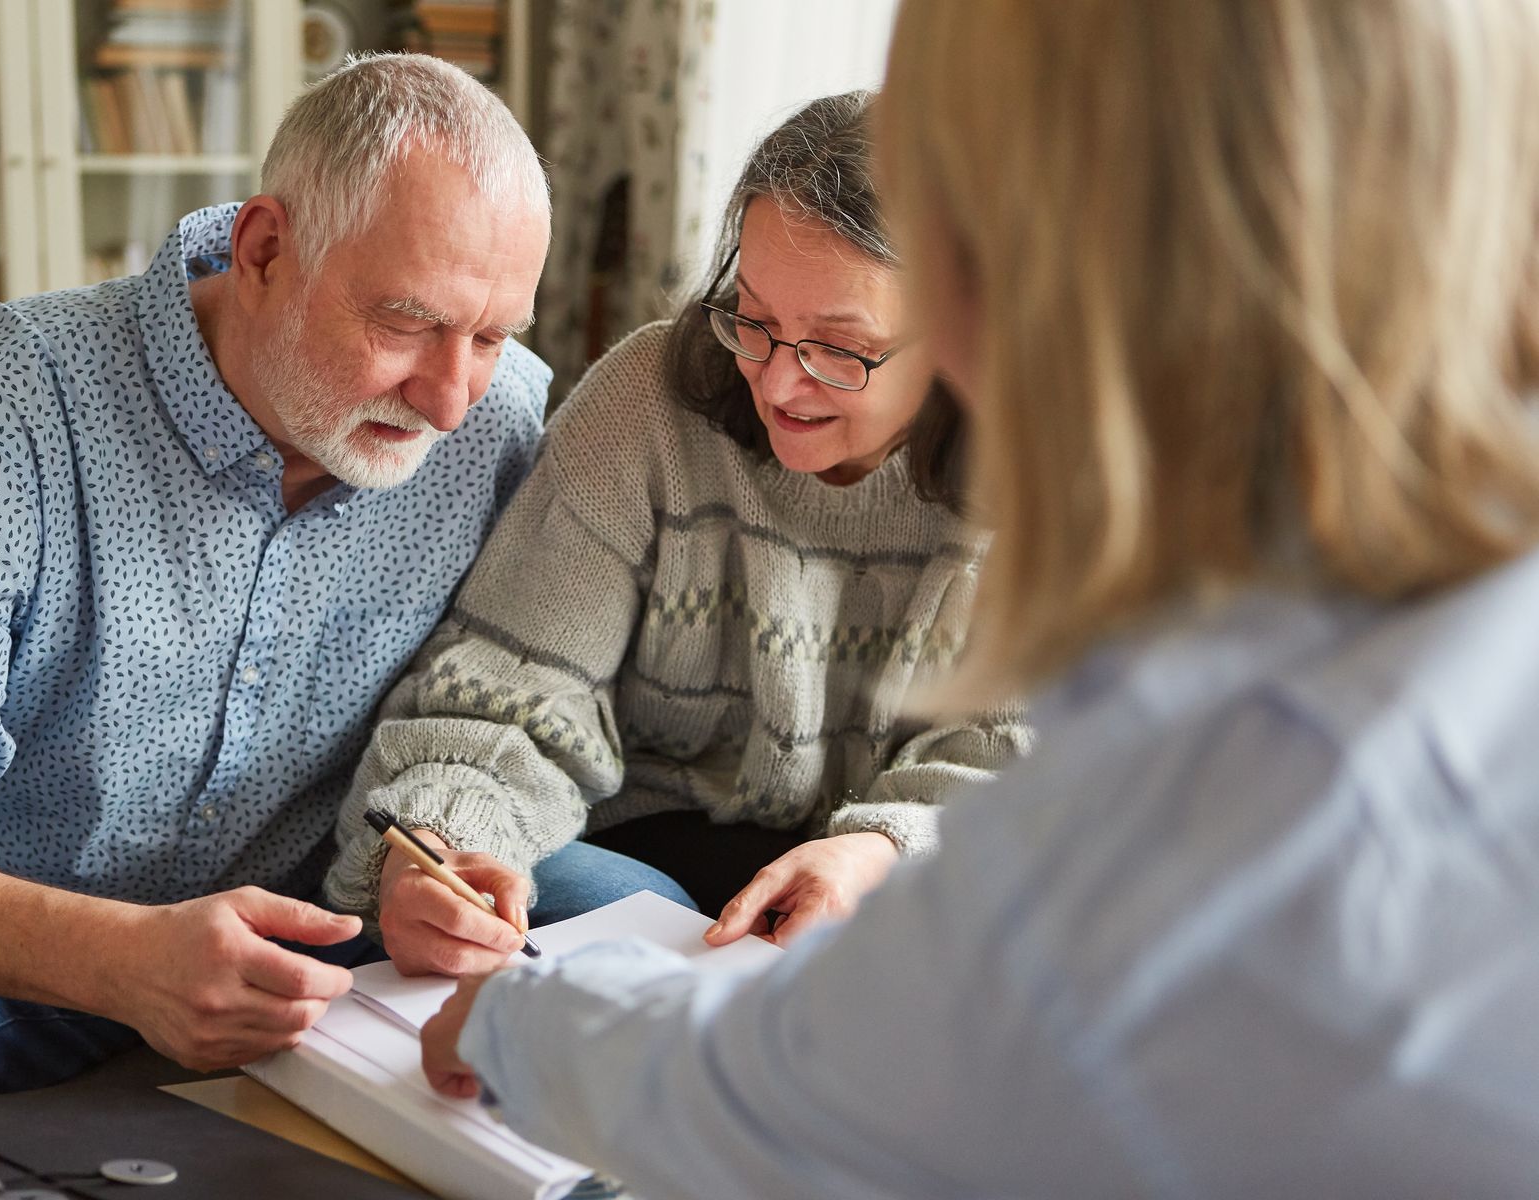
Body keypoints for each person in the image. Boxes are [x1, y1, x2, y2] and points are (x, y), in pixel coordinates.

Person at [417, 2, 1539, 1196]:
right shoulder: (1371, 598)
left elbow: (851, 1076)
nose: (785, 380)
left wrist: (525, 1025)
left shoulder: (1221, 735)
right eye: (758, 322)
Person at [0, 54, 552, 1136]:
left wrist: (431, 861)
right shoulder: (6, 399)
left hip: (321, 923)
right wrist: (123, 959)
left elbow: (491, 710)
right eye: (406, 323)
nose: (450, 402)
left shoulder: (504, 424)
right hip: (7, 946)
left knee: (616, 917)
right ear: (264, 251)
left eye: (491, 336)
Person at [325, 91, 1029, 979]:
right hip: (637, 854)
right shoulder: (646, 402)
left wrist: (880, 851)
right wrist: (444, 841)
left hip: (887, 876)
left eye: (838, 348)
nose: (777, 384)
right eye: (756, 320)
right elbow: (514, 681)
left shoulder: (1041, 463)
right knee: (575, 900)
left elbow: (1020, 758)